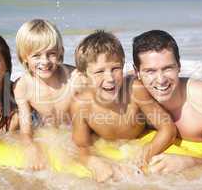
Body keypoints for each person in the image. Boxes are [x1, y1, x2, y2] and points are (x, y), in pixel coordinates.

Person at [70, 30, 176, 182]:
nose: (110, 78)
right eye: (99, 71)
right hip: (108, 145)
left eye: (115, 69)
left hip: (138, 139)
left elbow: (168, 128)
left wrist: (144, 155)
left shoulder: (135, 90)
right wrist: (92, 162)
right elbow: (80, 147)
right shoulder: (80, 104)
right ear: (84, 76)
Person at [132, 30, 202, 174]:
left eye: (168, 68)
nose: (161, 79)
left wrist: (191, 161)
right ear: (137, 72)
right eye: (150, 71)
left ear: (179, 66)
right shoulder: (132, 93)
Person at [14, 19, 78, 170]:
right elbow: (25, 130)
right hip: (46, 130)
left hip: (72, 130)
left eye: (51, 54)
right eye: (36, 55)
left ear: (60, 52)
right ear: (24, 57)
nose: (45, 61)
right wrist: (31, 147)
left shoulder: (74, 77)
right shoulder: (22, 87)